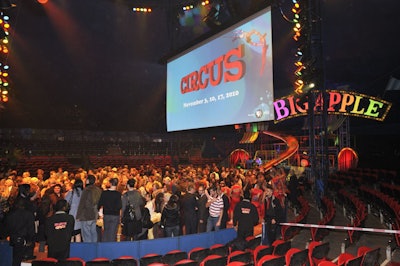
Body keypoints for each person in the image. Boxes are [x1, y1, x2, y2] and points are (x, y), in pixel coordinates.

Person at [5, 197, 36, 266]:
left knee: (15, 257)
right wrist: (30, 239)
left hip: (13, 237)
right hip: (24, 238)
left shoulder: (10, 214)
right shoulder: (28, 214)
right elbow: (31, 228)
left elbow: (7, 226)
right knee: (22, 258)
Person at [76, 175, 102, 242]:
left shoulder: (86, 190)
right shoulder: (98, 190)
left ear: (87, 181)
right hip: (94, 214)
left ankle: (88, 249)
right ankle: (94, 247)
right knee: (93, 232)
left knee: (86, 234)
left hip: (86, 215)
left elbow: (82, 203)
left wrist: (78, 215)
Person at [97, 177, 122, 242]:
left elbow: (100, 204)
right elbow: (119, 206)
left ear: (110, 183)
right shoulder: (118, 194)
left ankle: (104, 246)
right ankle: (111, 247)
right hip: (115, 215)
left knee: (106, 231)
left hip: (107, 214)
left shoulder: (104, 193)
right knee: (113, 233)